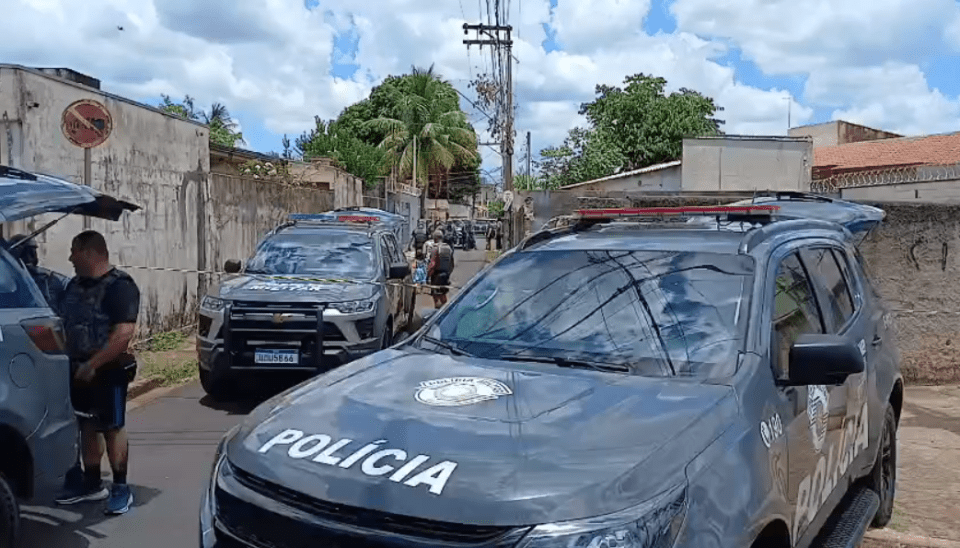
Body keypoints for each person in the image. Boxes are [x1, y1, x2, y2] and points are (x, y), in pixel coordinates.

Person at [55, 230, 141, 516]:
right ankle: (91, 483)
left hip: (108, 370)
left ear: (90, 252)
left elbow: (123, 334)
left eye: (74, 251)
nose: (70, 258)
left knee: (112, 427)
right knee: (86, 424)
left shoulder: (120, 286)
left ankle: (120, 487)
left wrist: (93, 364)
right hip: (76, 368)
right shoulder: (73, 286)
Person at [8, 234, 69, 312]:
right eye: (24, 253)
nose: (30, 257)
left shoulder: (52, 279)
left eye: (32, 252)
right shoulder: (6, 281)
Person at [426, 230, 454, 309]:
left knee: (436, 296)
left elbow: (433, 264)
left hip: (436, 276)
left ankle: (437, 311)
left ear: (435, 238)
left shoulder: (435, 248)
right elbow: (452, 264)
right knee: (443, 294)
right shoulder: (448, 248)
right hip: (445, 275)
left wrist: (428, 275)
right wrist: (448, 274)